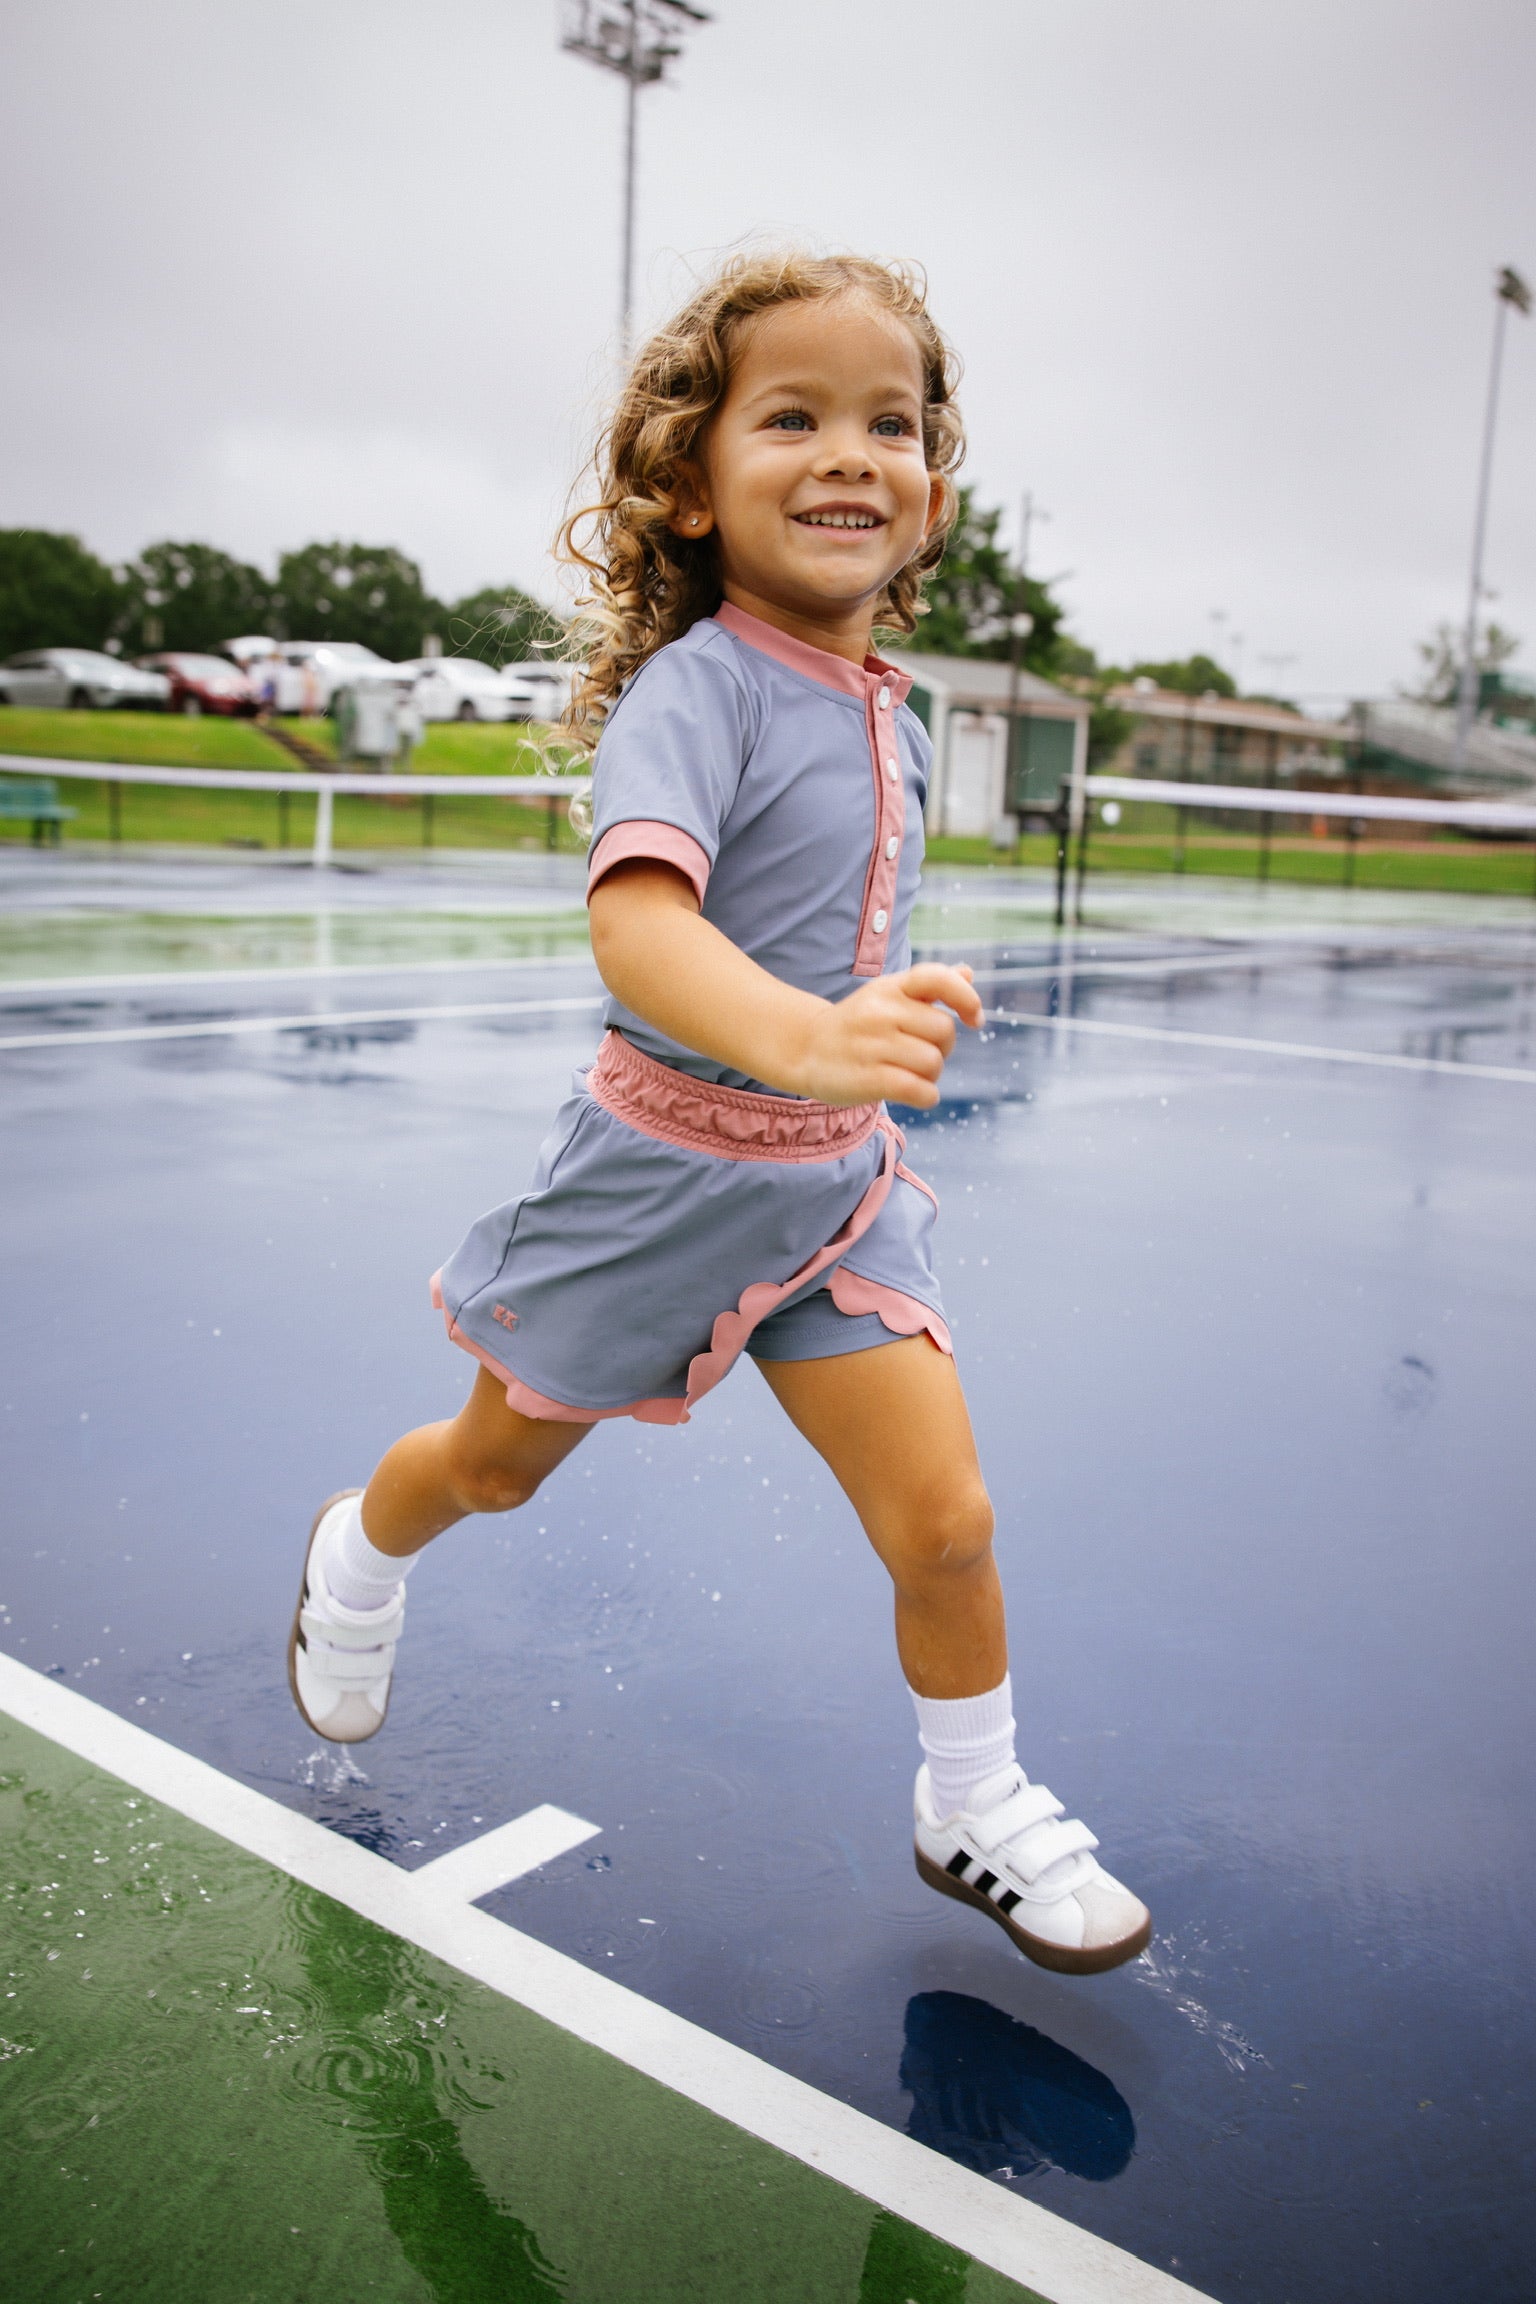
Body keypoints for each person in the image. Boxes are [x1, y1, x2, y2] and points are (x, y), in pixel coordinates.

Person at [287, 252, 1151, 1977]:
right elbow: (643, 924)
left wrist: (871, 1023)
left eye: (890, 424)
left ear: (932, 488)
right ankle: (356, 1556)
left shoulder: (892, 705)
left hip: (834, 1195)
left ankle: (966, 1798)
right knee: (494, 1469)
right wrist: (813, 1034)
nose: (851, 453)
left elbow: (828, 909)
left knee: (949, 1521)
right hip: (659, 1181)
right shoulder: (704, 688)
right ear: (691, 482)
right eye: (794, 417)